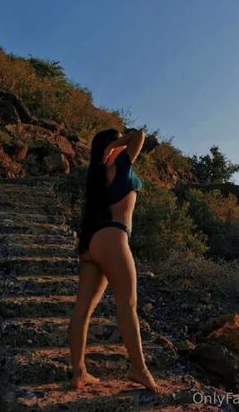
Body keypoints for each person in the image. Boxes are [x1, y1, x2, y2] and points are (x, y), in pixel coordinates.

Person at [68, 127, 160, 393]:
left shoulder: (97, 174)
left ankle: (78, 372)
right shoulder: (120, 163)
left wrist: (109, 146)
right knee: (128, 305)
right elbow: (140, 135)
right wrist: (116, 144)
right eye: (117, 139)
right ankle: (139, 369)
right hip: (113, 238)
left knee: (82, 310)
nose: (122, 142)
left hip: (93, 242)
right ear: (111, 145)